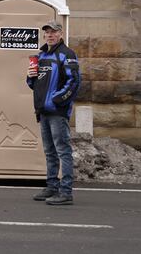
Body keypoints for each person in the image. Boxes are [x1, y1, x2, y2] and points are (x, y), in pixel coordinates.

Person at [26, 19, 80, 205]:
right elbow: (35, 84)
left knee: (63, 151)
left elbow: (74, 82)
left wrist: (57, 100)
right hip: (42, 111)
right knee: (50, 151)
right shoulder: (41, 56)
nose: (50, 35)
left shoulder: (67, 54)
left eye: (53, 32)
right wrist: (30, 77)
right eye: (47, 32)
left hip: (57, 111)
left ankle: (66, 192)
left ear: (60, 34)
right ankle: (51, 186)